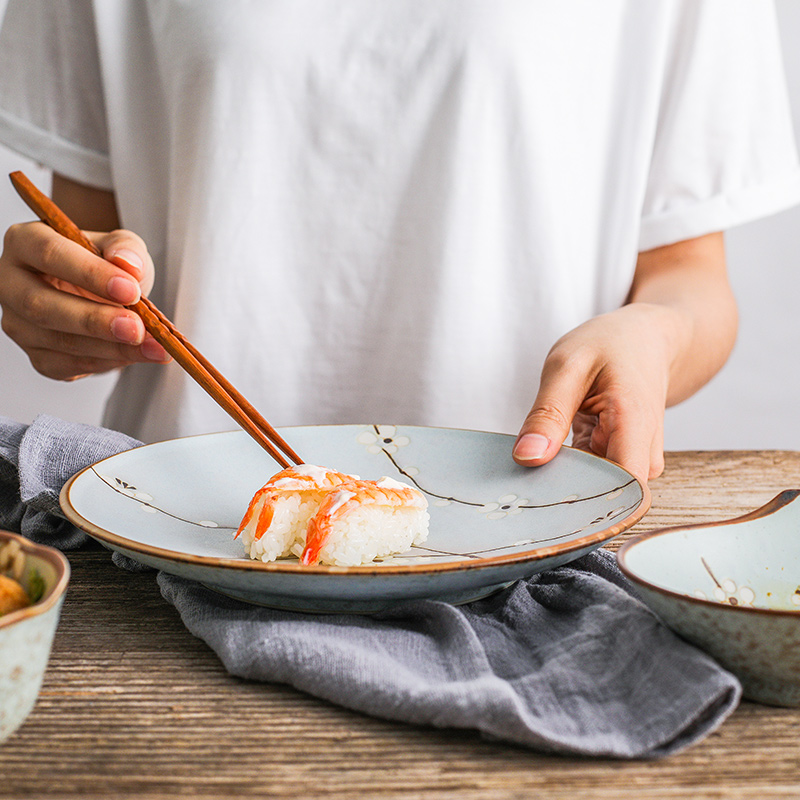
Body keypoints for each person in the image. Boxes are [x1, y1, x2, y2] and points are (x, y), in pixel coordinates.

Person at [0, 1, 798, 484]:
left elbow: (689, 278)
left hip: (529, 528)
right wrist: (66, 305)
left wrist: (653, 335)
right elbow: (85, 231)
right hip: (181, 525)